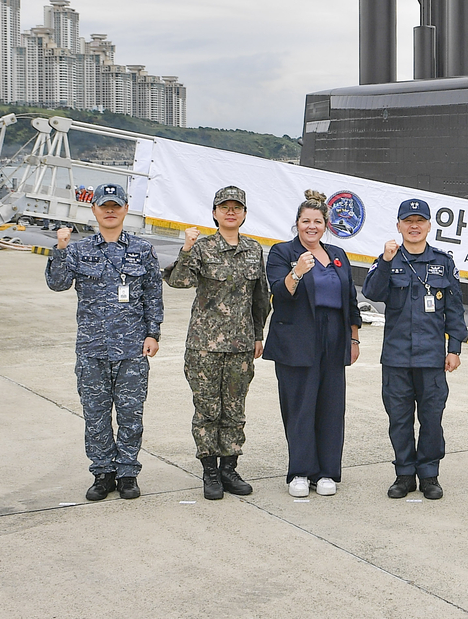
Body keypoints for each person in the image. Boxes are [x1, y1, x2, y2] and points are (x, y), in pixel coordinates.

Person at [45, 182, 163, 502]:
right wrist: (60, 248)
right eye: (104, 206)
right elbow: (57, 284)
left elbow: (153, 294)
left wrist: (153, 333)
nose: (110, 211)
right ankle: (102, 472)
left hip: (132, 348)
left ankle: (127, 473)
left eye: (116, 205)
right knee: (95, 414)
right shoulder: (79, 249)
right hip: (92, 348)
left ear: (125, 210)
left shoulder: (142, 249)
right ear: (94, 210)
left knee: (130, 414)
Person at [164, 186, 270, 500]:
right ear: (214, 213)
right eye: (224, 207)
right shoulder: (202, 247)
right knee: (207, 412)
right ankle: (209, 472)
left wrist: (258, 334)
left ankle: (229, 468)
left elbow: (260, 297)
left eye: (237, 207)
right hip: (204, 346)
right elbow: (179, 281)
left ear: (245, 214)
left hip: (239, 345)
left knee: (235, 411)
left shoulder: (254, 249)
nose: (231, 212)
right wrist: (186, 248)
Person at [362, 199, 468, 500]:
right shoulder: (388, 259)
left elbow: (455, 309)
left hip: (432, 357)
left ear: (429, 226)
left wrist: (455, 348)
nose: (414, 226)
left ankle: (430, 474)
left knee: (432, 419)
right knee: (399, 418)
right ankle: (404, 474)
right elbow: (371, 292)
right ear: (398, 225)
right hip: (396, 357)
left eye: (420, 220)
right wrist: (384, 260)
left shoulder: (443, 262)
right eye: (408, 221)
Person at [263, 190, 363, 498]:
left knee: (332, 406)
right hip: (298, 338)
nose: (311, 227)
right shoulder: (282, 252)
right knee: (300, 406)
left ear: (326, 225)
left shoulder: (337, 255)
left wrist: (354, 336)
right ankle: (301, 472)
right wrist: (298, 272)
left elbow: (350, 299)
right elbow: (279, 293)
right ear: (297, 224)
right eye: (305, 221)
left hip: (334, 336)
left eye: (317, 221)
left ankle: (327, 472)